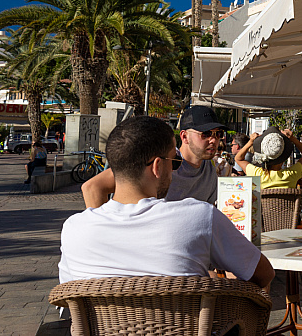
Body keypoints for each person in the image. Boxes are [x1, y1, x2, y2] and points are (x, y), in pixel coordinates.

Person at [58, 116, 274, 288]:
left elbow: (68, 302)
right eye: (175, 160)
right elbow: (264, 274)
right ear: (157, 167)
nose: (176, 168)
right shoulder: (200, 216)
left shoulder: (73, 230)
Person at [81, 105, 227, 208]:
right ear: (184, 136)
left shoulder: (209, 170)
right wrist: (106, 234)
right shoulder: (161, 161)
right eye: (206, 134)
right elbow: (92, 187)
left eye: (218, 134)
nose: (213, 140)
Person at [234, 127, 302, 189]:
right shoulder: (291, 174)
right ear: (283, 158)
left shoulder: (257, 174)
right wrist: (293, 139)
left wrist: (250, 142)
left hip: (263, 208)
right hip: (289, 208)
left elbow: (238, 158)